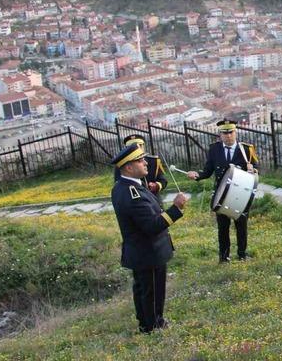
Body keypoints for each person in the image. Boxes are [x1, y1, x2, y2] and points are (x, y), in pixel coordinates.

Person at [110, 143, 188, 334]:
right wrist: (176, 208)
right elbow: (151, 226)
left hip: (142, 251)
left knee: (144, 290)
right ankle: (154, 326)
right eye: (140, 160)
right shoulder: (132, 193)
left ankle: (145, 323)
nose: (146, 163)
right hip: (148, 251)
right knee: (152, 291)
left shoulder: (127, 187)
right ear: (128, 167)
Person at [186, 119, 259, 263]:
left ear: (235, 132)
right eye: (224, 133)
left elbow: (256, 168)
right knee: (223, 227)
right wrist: (197, 176)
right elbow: (207, 171)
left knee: (241, 226)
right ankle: (224, 257)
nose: (228, 136)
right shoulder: (214, 149)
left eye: (230, 132)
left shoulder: (246, 149)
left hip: (240, 194)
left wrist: (253, 170)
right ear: (220, 134)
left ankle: (242, 254)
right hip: (222, 194)